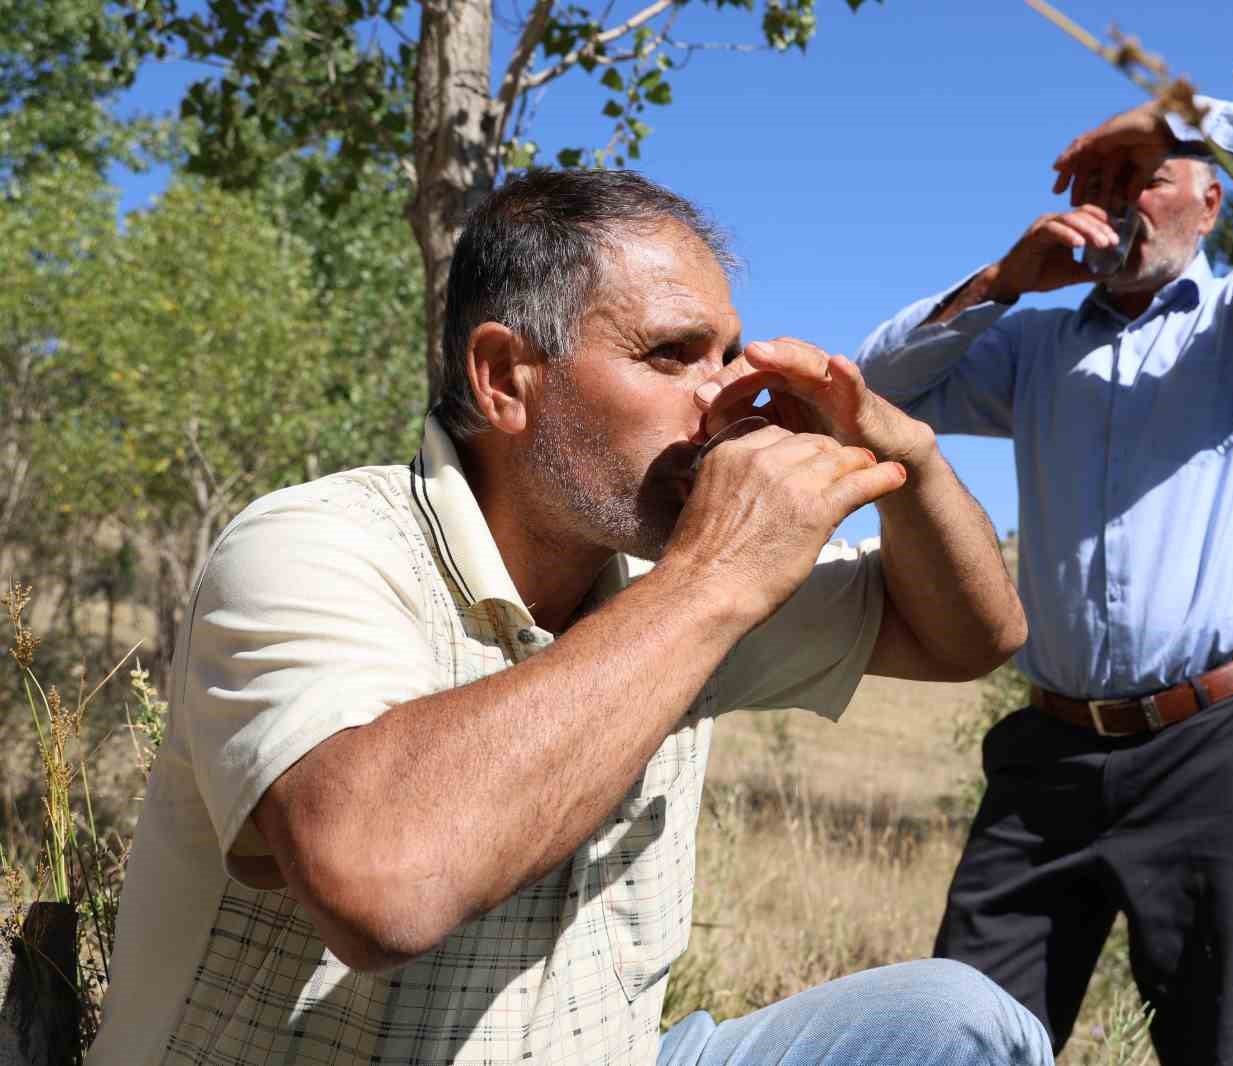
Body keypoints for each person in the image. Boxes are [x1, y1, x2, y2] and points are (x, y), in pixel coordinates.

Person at [89, 168, 1053, 1066]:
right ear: (505, 378)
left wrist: (909, 460)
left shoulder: (668, 571)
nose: (721, 400)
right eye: (670, 355)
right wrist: (714, 580)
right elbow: (381, 885)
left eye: (726, 355)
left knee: (961, 1021)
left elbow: (971, 637)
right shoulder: (316, 544)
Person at [854, 95, 1233, 1063]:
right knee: (957, 1030)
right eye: (1095, 182)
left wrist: (1184, 109)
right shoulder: (1033, 345)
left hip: (1219, 746)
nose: (1116, 200)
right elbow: (876, 396)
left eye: (1144, 174)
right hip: (1049, 753)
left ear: (1211, 201)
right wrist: (1005, 281)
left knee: (1218, 1044)